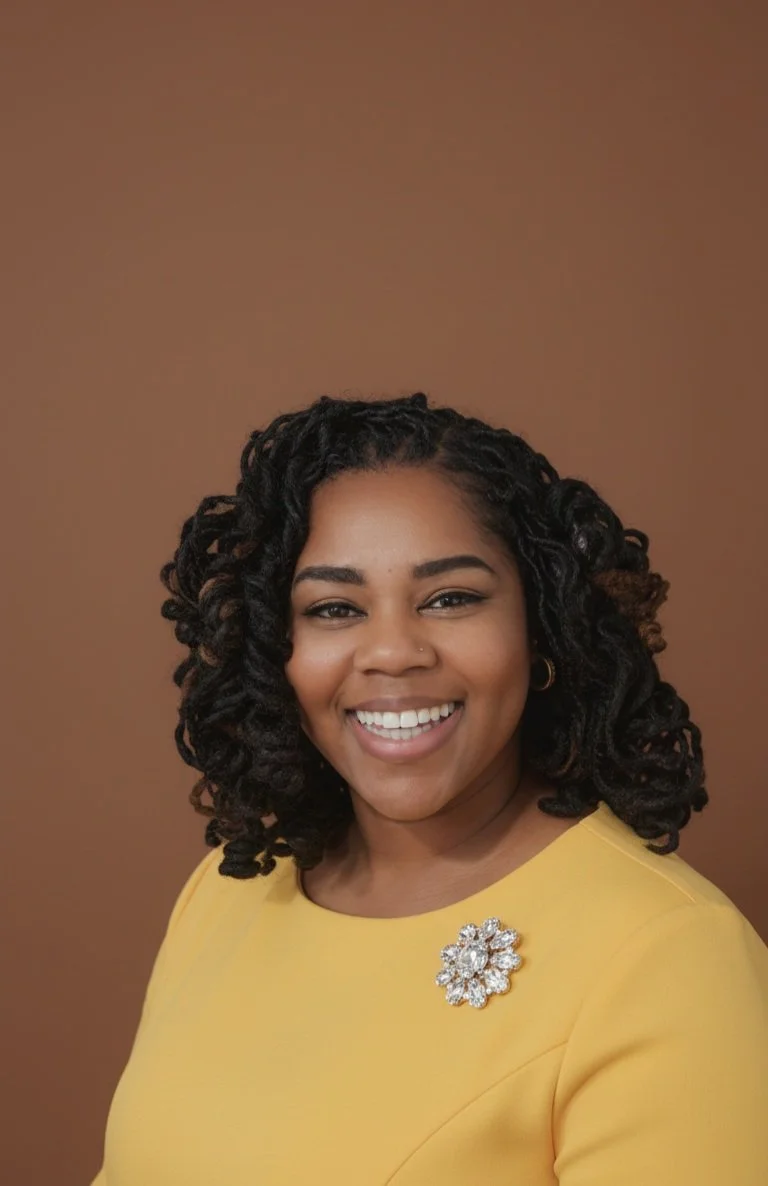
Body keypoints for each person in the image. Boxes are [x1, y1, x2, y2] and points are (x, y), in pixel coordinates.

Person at [90, 392, 768, 1185]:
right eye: (335, 608)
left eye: (450, 598)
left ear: (542, 629)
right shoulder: (229, 890)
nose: (392, 653)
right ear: (275, 651)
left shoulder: (669, 958)